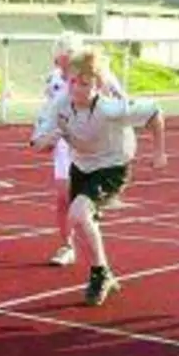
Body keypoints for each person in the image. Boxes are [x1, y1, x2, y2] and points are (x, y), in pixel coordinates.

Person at [31, 49, 167, 306]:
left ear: (99, 85)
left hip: (112, 165)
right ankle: (101, 271)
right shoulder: (59, 105)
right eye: (72, 81)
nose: (77, 88)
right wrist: (48, 141)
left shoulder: (111, 109)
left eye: (85, 83)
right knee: (79, 221)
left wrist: (159, 152)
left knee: (77, 214)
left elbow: (155, 112)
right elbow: (37, 142)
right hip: (81, 165)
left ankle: (98, 273)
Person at [39, 33, 126, 267]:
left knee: (81, 201)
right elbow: (47, 110)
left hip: (95, 145)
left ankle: (95, 253)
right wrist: (43, 136)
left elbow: (122, 105)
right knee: (62, 197)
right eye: (58, 61)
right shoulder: (53, 79)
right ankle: (67, 245)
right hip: (65, 143)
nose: (62, 66)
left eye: (66, 60)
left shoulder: (102, 77)